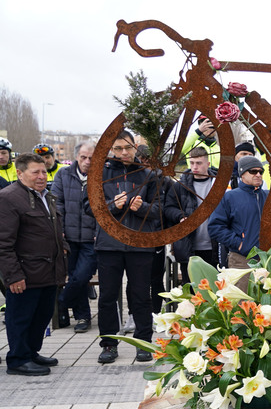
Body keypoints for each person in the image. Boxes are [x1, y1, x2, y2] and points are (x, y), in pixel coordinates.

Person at [88, 131, 163, 364]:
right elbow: (87, 208)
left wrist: (142, 208)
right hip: (109, 245)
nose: (124, 153)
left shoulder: (149, 174)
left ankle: (142, 343)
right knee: (108, 296)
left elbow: (160, 211)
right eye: (119, 148)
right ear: (111, 149)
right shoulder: (98, 174)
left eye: (128, 148)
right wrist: (113, 205)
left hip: (140, 244)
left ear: (136, 146)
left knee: (141, 295)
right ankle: (109, 344)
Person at [0, 153, 68, 375]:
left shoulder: (46, 196)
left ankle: (30, 353)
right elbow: (3, 243)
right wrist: (13, 276)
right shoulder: (9, 198)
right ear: (20, 173)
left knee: (41, 316)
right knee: (20, 317)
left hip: (48, 271)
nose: (42, 176)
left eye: (44, 172)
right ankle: (18, 359)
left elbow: (52, 230)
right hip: (25, 274)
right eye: (35, 172)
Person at [208, 155, 271, 287]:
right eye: (253, 171)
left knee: (270, 306)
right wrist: (240, 244)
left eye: (261, 171)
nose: (258, 174)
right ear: (242, 174)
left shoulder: (270, 196)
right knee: (243, 305)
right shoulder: (229, 197)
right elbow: (215, 227)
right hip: (242, 260)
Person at [53, 141, 97, 332]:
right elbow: (57, 204)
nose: (87, 161)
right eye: (83, 157)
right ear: (77, 157)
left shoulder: (101, 177)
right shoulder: (63, 174)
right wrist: (59, 230)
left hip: (91, 239)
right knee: (73, 277)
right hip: (69, 238)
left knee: (80, 277)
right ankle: (82, 318)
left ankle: (61, 302)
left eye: (91, 158)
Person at [163, 146, 220, 282]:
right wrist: (180, 216)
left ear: (208, 164)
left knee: (215, 290)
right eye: (192, 163)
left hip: (214, 247)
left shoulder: (218, 184)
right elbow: (168, 208)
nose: (195, 167)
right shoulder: (180, 186)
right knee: (191, 291)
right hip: (188, 246)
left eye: (199, 163)